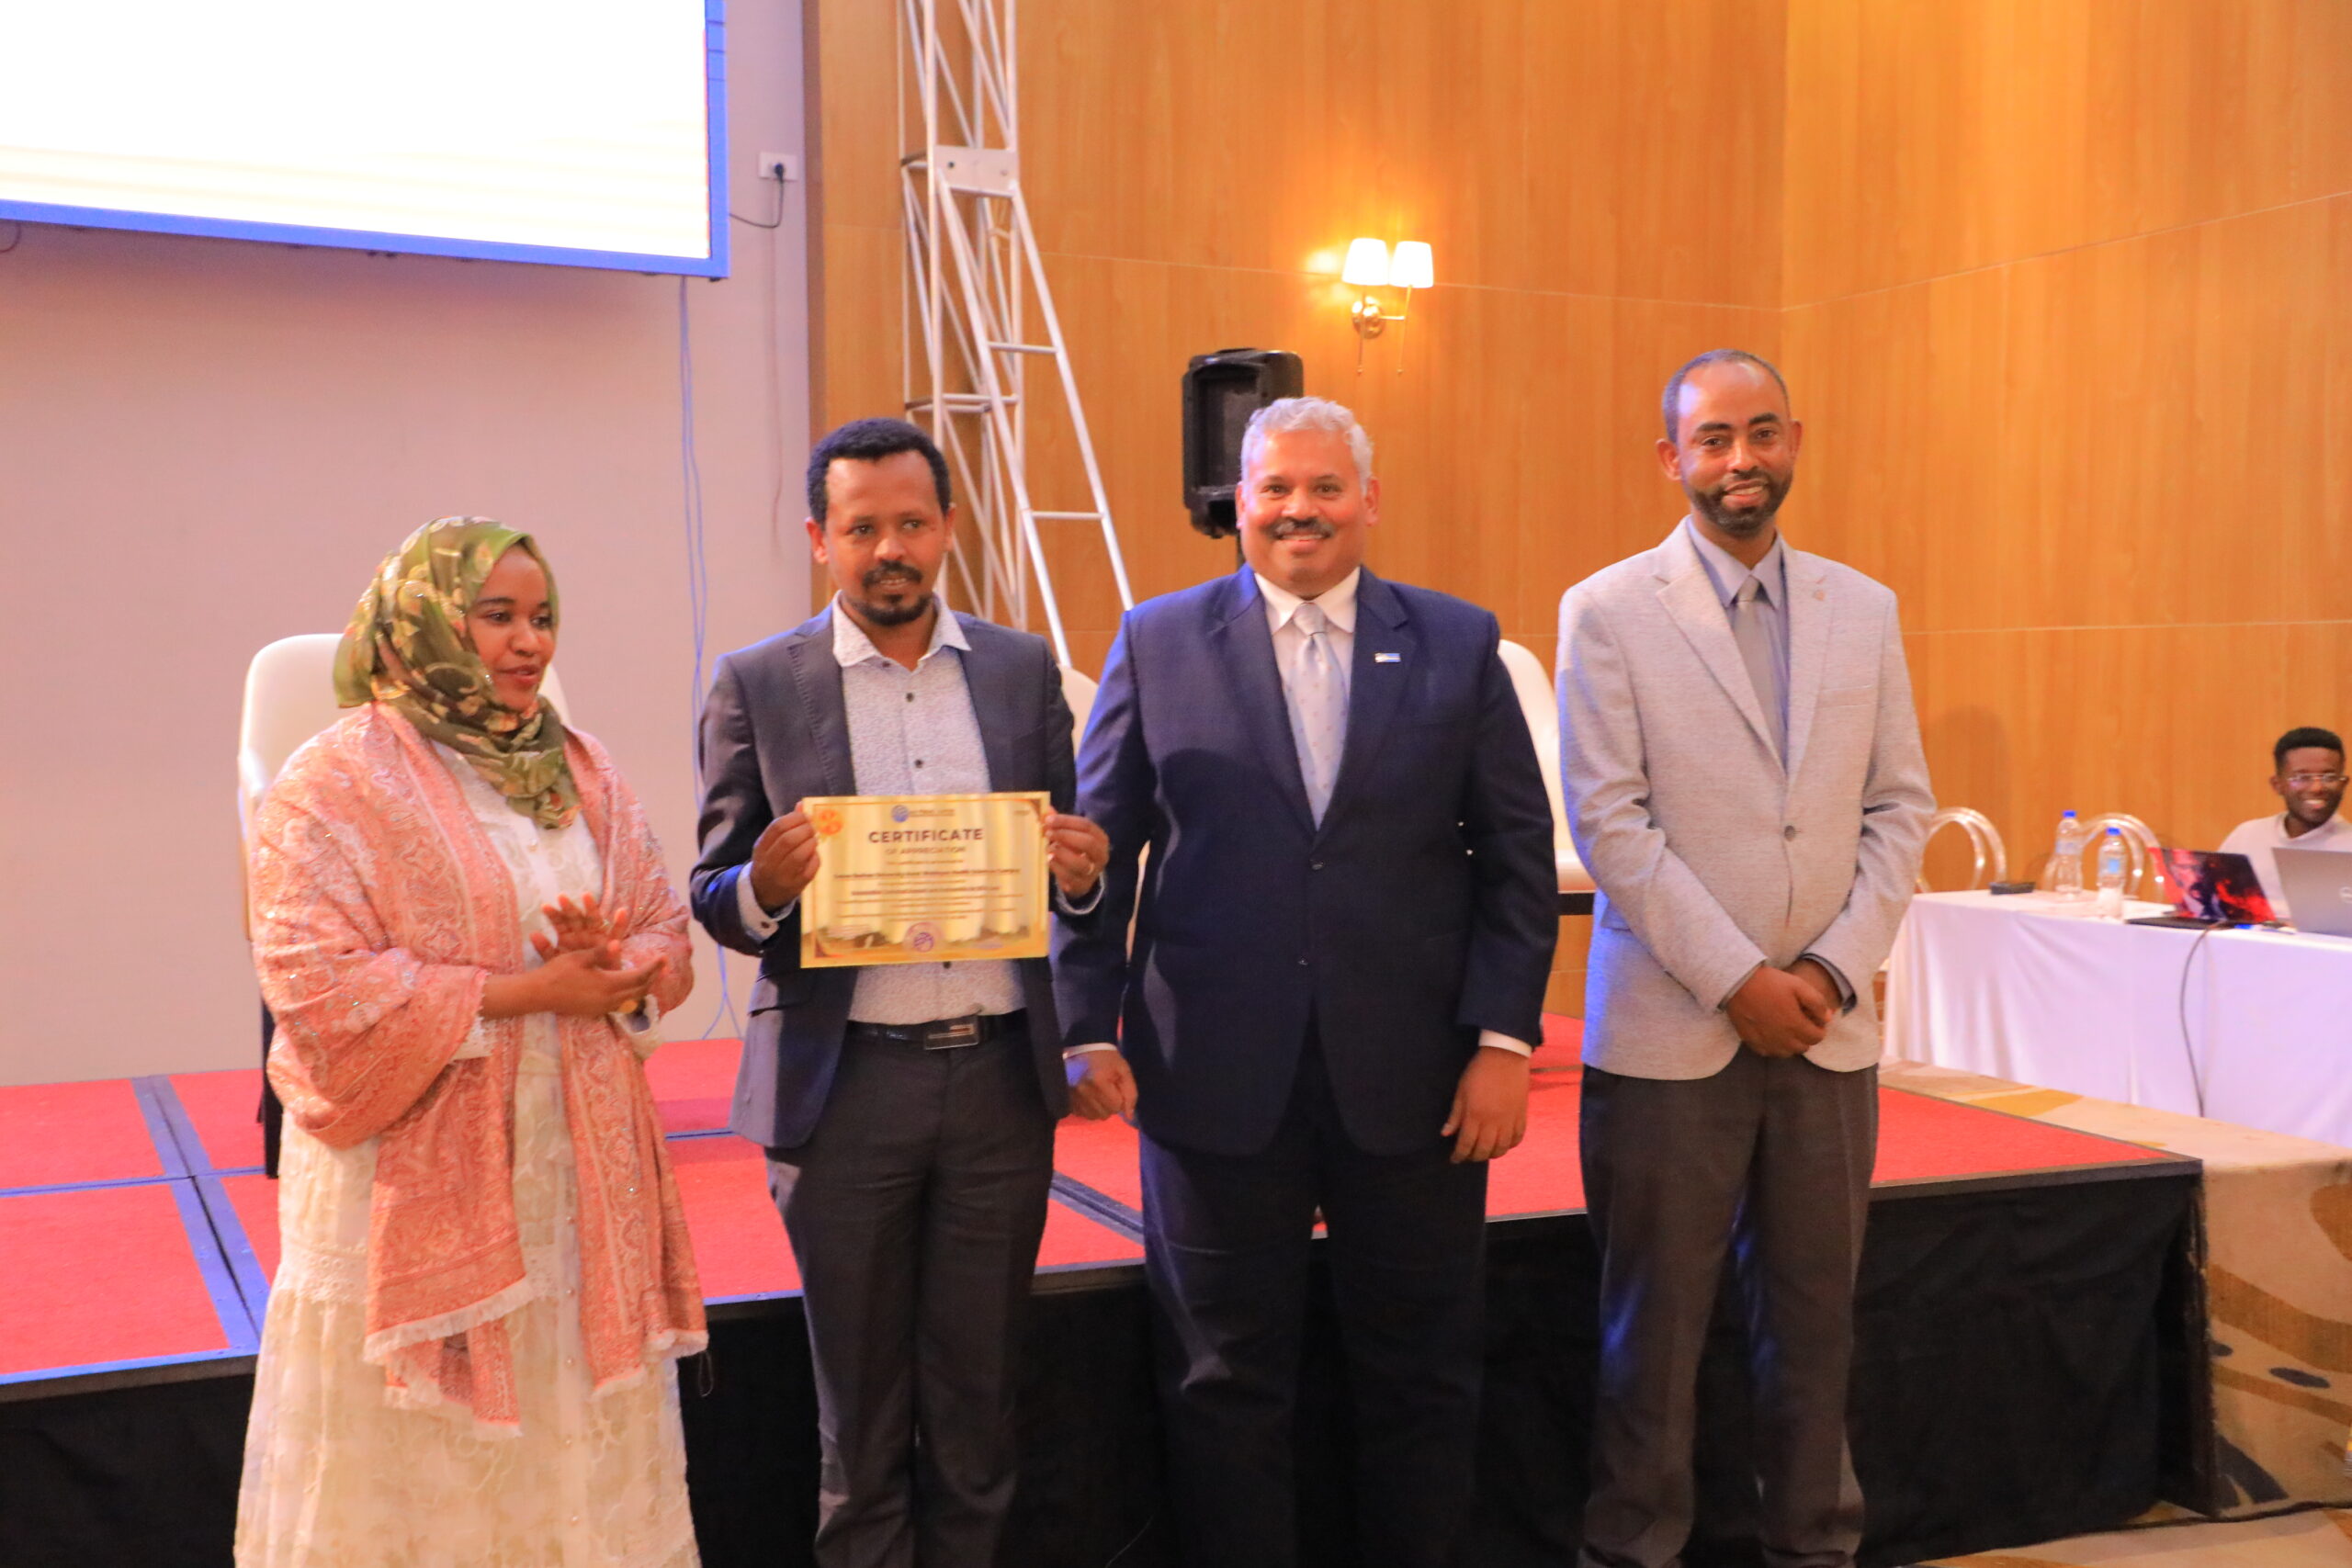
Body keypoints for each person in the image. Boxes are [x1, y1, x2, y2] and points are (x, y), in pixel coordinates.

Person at [1055, 396, 1558, 1568]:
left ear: (1367, 500)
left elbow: (1516, 861)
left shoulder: (1459, 642)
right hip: (1210, 1081)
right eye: (1275, 488)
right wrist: (1083, 1025)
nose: (1299, 510)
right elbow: (1095, 855)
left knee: (1422, 1375)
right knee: (1221, 1381)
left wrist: (1501, 1041)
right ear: (1239, 503)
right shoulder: (1157, 641)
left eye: (1325, 487)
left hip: (1418, 1083)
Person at [238, 517, 707, 1568]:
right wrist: (529, 991)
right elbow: (313, 983)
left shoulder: (579, 768)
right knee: (420, 1484)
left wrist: (617, 968)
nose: (528, 642)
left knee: (562, 1466)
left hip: (568, 1194)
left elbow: (662, 931)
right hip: (397, 1200)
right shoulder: (331, 782)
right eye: (496, 616)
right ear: (425, 624)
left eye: (541, 617)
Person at [689, 418, 1112, 1568]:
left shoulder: (1020, 670)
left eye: (911, 523)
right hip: (844, 1093)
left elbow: (1069, 871)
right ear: (819, 539)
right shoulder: (757, 682)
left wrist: (1081, 875)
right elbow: (713, 891)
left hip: (998, 1083)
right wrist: (765, 888)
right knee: (858, 1418)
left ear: (948, 529)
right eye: (862, 527)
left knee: (980, 1405)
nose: (890, 549)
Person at [1556, 351, 1934, 1568]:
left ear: (1794, 442)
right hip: (1674, 1032)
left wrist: (1827, 972)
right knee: (1653, 1336)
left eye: (1761, 433)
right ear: (1671, 457)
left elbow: (1900, 808)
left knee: (1817, 1330)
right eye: (1713, 438)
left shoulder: (1861, 607)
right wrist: (1741, 980)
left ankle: (1814, 1546)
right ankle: (1633, 1549)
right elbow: (1610, 822)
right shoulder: (1607, 609)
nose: (1740, 460)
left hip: (1827, 1033)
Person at [2217, 726, 2349, 919]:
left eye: (2329, 777)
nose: (2317, 788)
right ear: (2277, 785)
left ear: (2343, 784)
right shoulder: (2247, 836)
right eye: (2301, 778)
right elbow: (2212, 906)